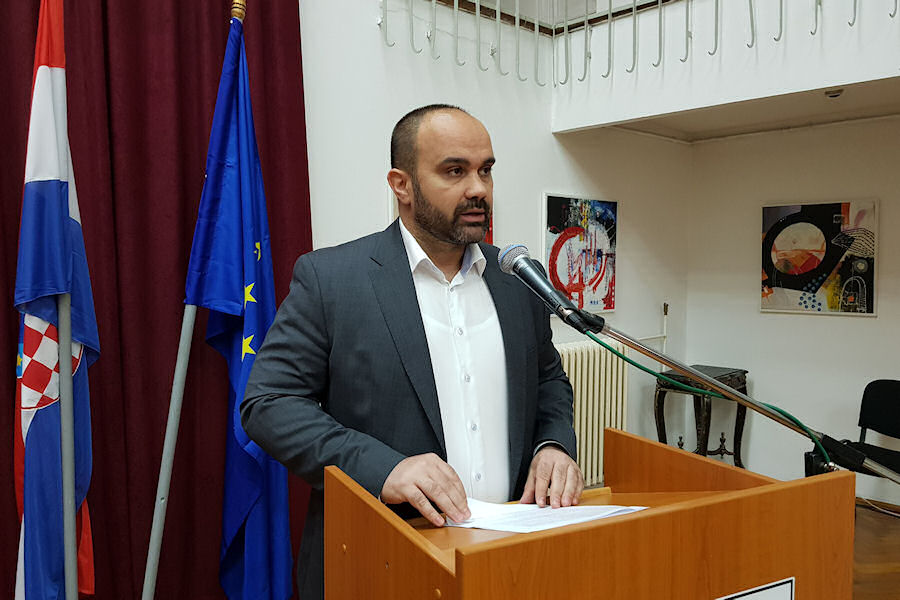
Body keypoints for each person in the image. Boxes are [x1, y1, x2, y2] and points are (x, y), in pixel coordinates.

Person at [241, 104, 583, 599]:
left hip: (506, 561)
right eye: (455, 171)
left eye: (485, 170)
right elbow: (268, 404)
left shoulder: (516, 280)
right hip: (382, 562)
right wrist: (385, 468)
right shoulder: (332, 279)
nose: (478, 189)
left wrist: (553, 444)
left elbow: (548, 380)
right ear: (401, 185)